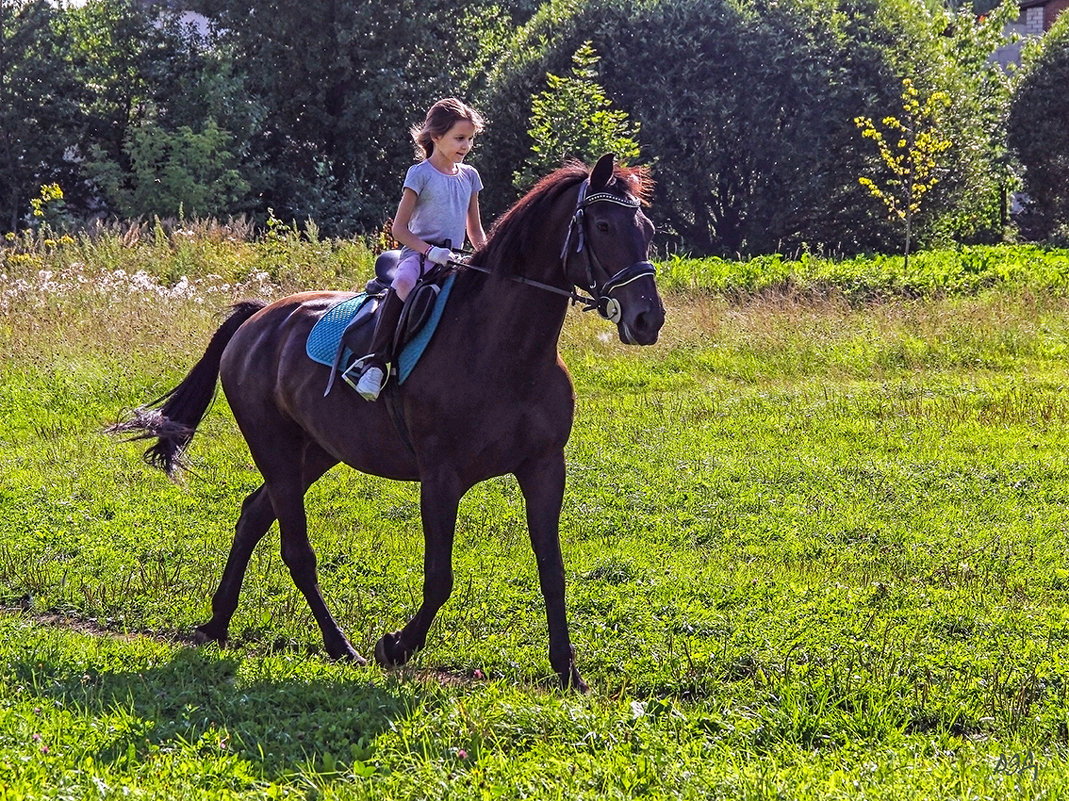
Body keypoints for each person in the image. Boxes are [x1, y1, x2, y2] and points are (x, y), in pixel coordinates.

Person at [354, 98, 488, 401]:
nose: (465, 145)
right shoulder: (420, 174)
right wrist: (429, 252)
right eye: (459, 138)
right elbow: (399, 229)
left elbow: (475, 229)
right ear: (436, 137)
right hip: (418, 254)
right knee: (402, 283)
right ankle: (375, 363)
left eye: (469, 139)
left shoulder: (470, 177)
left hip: (455, 259)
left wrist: (488, 256)